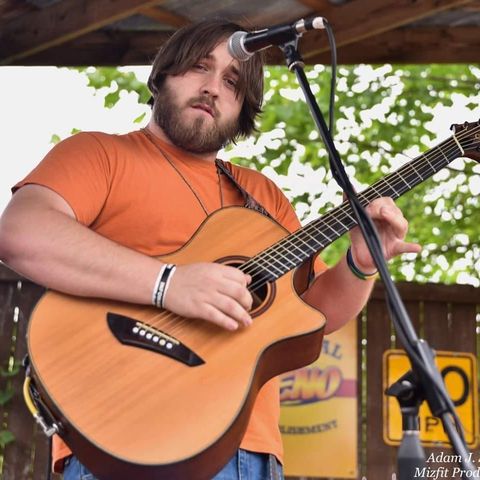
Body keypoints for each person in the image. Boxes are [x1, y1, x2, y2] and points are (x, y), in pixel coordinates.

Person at [0, 18, 421, 480]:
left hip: (251, 453)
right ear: (162, 75)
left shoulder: (264, 195)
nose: (212, 88)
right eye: (199, 68)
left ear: (243, 107)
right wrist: (169, 284)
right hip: (127, 435)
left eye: (231, 81)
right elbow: (21, 233)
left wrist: (362, 262)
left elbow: (312, 316)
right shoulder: (98, 154)